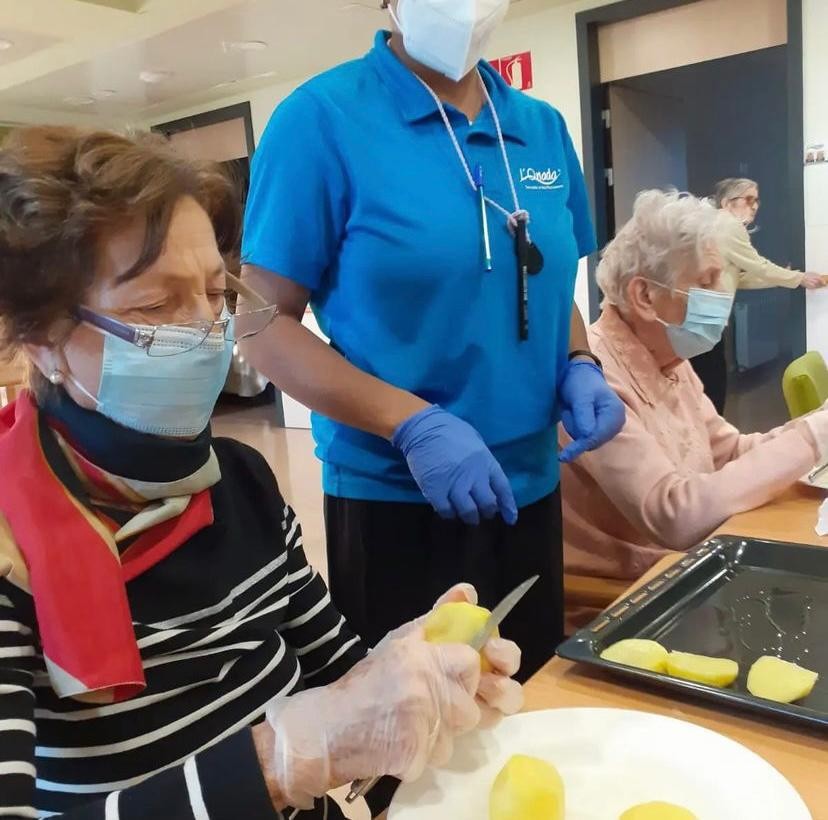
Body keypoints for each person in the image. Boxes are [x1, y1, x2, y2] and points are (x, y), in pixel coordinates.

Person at [0, 126, 523, 819]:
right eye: (155, 306)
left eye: (216, 295)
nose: (207, 333)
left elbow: (338, 670)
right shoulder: (11, 550)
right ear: (44, 340)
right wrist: (284, 761)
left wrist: (414, 677)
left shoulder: (238, 480)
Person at [240, 0, 625, 678]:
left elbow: (539, 274)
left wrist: (578, 359)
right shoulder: (321, 120)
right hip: (396, 498)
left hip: (532, 486)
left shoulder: (540, 126)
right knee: (415, 723)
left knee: (524, 696)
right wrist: (409, 423)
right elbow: (260, 324)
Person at [560, 190, 828, 629]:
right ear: (645, 296)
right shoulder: (594, 378)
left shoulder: (669, 361)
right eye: (707, 282)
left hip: (682, 577)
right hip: (619, 608)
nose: (722, 296)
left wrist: (815, 427)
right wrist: (815, 435)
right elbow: (675, 514)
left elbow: (731, 452)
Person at [691, 177, 826, 413]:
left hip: (701, 320)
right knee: (711, 389)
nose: (754, 206)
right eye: (748, 199)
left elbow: (740, 278)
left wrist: (787, 278)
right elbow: (759, 266)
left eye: (757, 200)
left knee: (703, 386)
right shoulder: (728, 225)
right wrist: (799, 278)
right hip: (704, 320)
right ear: (727, 203)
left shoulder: (714, 225)